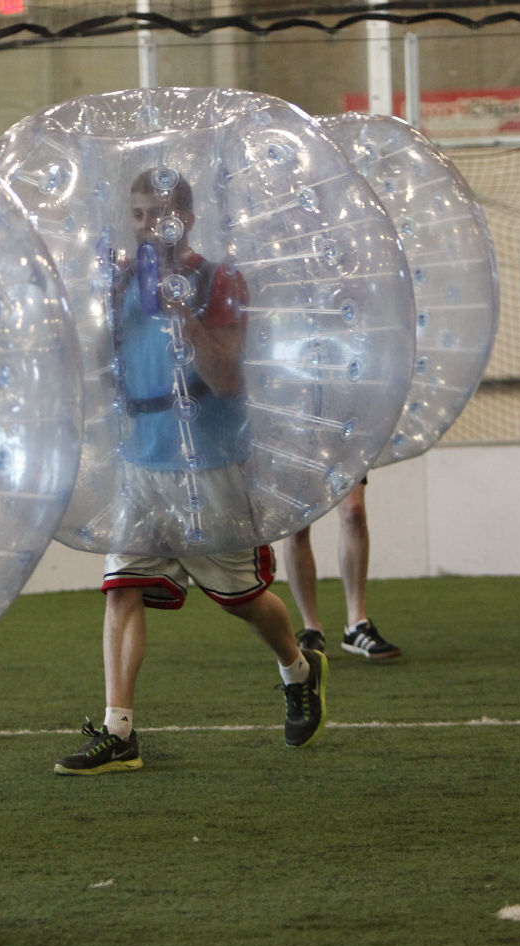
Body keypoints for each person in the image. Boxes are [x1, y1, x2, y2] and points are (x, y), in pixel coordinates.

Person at [54, 169, 326, 777]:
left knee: (242, 601)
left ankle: (297, 668)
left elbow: (228, 378)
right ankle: (119, 729)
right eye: (139, 215)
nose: (150, 227)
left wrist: (187, 317)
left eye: (161, 214)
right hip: (141, 461)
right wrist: (93, 310)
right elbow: (99, 371)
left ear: (188, 218)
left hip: (211, 462)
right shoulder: (122, 280)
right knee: (122, 588)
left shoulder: (219, 280)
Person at [282, 479, 402, 661]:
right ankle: (311, 629)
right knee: (297, 527)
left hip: (341, 449)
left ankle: (357, 625)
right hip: (292, 451)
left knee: (354, 511)